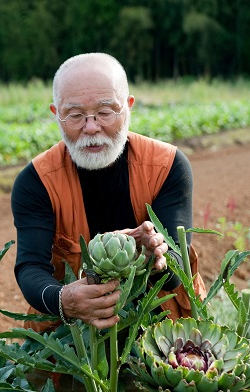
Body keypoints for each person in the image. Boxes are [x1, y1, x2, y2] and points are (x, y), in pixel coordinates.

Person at [11, 53, 207, 338]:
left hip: (165, 330)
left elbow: (178, 265)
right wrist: (62, 300)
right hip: (73, 338)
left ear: (128, 107)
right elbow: (30, 268)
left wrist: (157, 257)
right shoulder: (36, 182)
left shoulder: (168, 166)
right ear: (57, 114)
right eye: (76, 115)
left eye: (105, 112)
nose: (91, 127)